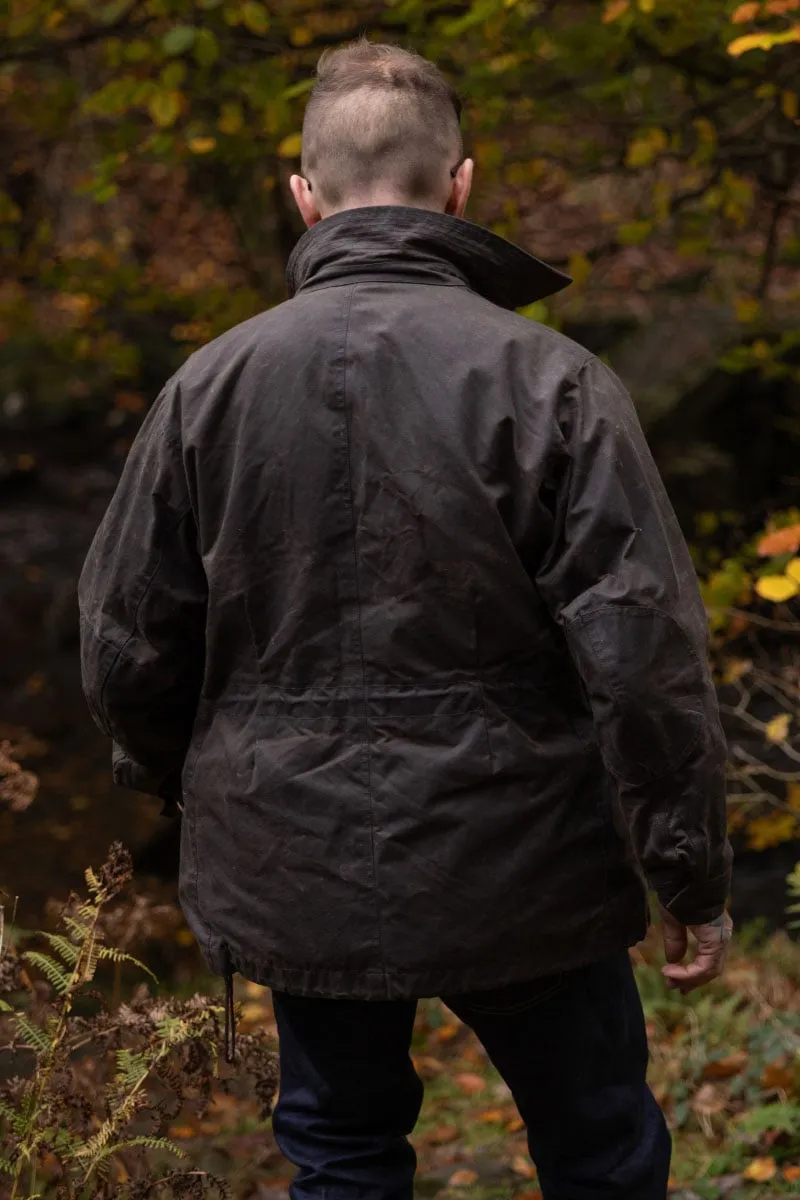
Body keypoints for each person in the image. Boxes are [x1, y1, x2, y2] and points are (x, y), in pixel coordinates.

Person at [79, 39, 733, 1200]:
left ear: (303, 194)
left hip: (292, 853)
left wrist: (187, 780)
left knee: (338, 1154)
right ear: (461, 184)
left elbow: (129, 638)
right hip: (522, 857)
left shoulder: (205, 389)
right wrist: (687, 875)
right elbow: (642, 659)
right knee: (600, 1156)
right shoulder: (554, 383)